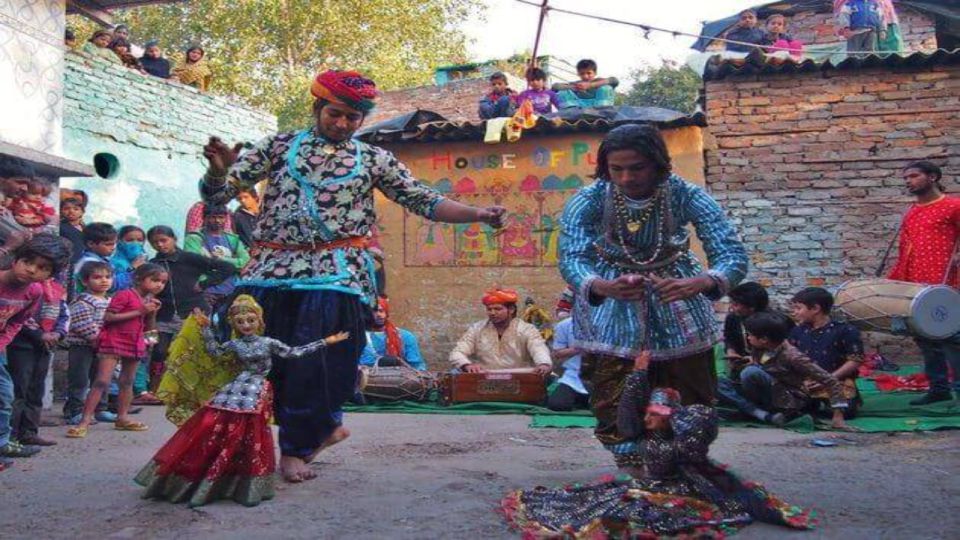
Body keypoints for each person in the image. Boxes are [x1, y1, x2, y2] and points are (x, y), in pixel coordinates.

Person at [199, 68, 505, 483]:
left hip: (335, 275)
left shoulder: (373, 158)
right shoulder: (278, 146)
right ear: (317, 107)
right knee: (249, 356)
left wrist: (479, 215)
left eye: (352, 118)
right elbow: (216, 197)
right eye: (335, 114)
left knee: (315, 363)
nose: (342, 124)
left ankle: (299, 447)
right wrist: (218, 172)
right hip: (268, 271)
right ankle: (267, 439)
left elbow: (422, 200)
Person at [558, 124, 747, 467]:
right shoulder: (588, 200)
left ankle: (682, 465)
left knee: (691, 391)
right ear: (605, 167)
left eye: (637, 168)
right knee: (612, 392)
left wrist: (703, 282)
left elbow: (732, 253)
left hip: (678, 296)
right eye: (617, 169)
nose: (627, 178)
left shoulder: (686, 195)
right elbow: (571, 257)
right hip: (612, 303)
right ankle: (630, 469)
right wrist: (602, 285)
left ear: (658, 163)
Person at [502, 351, 816, 537]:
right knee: (591, 504)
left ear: (668, 418)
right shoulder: (644, 433)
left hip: (677, 491)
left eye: (654, 415)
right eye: (649, 414)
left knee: (633, 515)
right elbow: (627, 412)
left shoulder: (685, 442)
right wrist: (638, 373)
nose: (648, 419)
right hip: (650, 485)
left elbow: (701, 419)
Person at [136, 296, 349, 507]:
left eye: (250, 320)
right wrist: (205, 328)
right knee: (212, 425)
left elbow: (294, 353)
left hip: (256, 390)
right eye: (240, 321)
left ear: (259, 321)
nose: (246, 325)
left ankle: (239, 479)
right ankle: (203, 475)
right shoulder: (234, 344)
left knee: (250, 434)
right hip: (234, 389)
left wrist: (325, 341)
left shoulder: (268, 342)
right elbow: (214, 352)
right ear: (234, 324)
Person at [66, 264, 168, 438]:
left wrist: (151, 314)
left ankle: (122, 417)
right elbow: (109, 317)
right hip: (113, 340)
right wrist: (140, 310)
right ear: (138, 279)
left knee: (127, 381)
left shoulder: (149, 301)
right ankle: (84, 421)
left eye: (163, 282)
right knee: (101, 381)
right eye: (155, 280)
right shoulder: (124, 295)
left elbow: (148, 327)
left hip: (134, 341)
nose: (159, 285)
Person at [887, 161, 960, 405]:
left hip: (949, 284)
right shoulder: (911, 211)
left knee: (953, 338)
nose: (908, 181)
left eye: (914, 176)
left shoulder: (953, 206)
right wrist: (898, 283)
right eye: (906, 177)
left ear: (933, 177)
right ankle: (939, 389)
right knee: (926, 339)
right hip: (917, 286)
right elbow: (904, 250)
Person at [0, 234, 69, 465]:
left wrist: (2, 343)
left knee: (5, 394)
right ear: (16, 259)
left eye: (41, 268)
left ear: (50, 275)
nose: (31, 270)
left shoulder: (34, 292)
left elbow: (17, 321)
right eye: (28, 262)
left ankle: (2, 443)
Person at [717, 312, 852, 428]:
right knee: (714, 381)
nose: (748, 337)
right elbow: (765, 363)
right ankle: (761, 414)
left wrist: (838, 415)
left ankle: (755, 412)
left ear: (764, 339)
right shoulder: (760, 348)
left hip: (786, 398)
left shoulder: (793, 356)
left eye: (750, 335)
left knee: (751, 372)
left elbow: (830, 380)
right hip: (764, 394)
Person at [147, 225, 235, 390]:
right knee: (159, 351)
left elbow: (227, 268)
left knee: (197, 349)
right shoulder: (152, 264)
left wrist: (204, 283)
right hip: (163, 314)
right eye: (154, 242)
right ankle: (156, 388)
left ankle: (200, 388)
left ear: (174, 239)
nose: (160, 245)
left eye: (163, 240)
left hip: (193, 311)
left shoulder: (189, 258)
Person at [7, 275, 69, 447]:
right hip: (21, 345)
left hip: (45, 346)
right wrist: (39, 334)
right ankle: (10, 435)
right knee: (18, 390)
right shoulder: (25, 288)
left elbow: (63, 314)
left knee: (36, 390)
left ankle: (29, 432)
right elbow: (20, 315)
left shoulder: (56, 289)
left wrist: (57, 333)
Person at [789, 287, 864, 418]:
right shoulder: (797, 331)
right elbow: (789, 358)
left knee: (845, 411)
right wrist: (800, 381)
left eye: (798, 308)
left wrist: (828, 379)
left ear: (815, 309)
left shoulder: (846, 330)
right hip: (806, 383)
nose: (795, 312)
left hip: (836, 381)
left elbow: (855, 360)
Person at [449, 288, 553, 374]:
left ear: (511, 310)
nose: (492, 313)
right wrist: (467, 364)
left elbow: (539, 349)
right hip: (484, 375)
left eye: (497, 309)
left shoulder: (527, 329)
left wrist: (543, 364)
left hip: (519, 376)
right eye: (489, 309)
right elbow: (457, 352)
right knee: (455, 373)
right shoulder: (477, 328)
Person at [110, 225, 159, 405]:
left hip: (146, 312)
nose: (135, 244)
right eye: (130, 240)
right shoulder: (115, 263)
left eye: (140, 240)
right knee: (123, 356)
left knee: (146, 348)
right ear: (120, 242)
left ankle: (141, 390)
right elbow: (112, 285)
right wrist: (132, 268)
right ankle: (117, 398)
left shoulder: (147, 263)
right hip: (124, 315)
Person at [63, 261, 113, 425]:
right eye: (97, 277)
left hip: (103, 346)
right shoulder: (83, 301)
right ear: (85, 281)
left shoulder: (110, 301)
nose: (104, 280)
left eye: (107, 277)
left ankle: (100, 409)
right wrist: (96, 340)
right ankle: (74, 411)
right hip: (82, 347)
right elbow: (81, 324)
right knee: (80, 379)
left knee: (102, 378)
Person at [184, 204, 249, 309]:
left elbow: (246, 262)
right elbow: (194, 263)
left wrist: (221, 259)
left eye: (221, 217)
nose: (217, 221)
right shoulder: (194, 238)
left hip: (231, 290)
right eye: (213, 217)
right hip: (205, 290)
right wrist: (233, 263)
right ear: (205, 218)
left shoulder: (233, 239)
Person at [547, 289, 589, 411]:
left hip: (599, 376)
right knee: (557, 405)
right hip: (574, 375)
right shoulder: (564, 325)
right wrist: (578, 349)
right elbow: (557, 353)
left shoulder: (606, 325)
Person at [359, 297, 426, 370]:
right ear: (366, 314)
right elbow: (361, 362)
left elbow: (416, 365)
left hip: (400, 379)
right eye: (374, 311)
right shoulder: (360, 337)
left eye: (381, 311)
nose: (378, 314)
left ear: (386, 313)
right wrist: (384, 361)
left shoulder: (405, 336)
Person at [74, 222, 131, 293]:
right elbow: (112, 285)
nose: (113, 248)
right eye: (108, 244)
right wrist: (133, 272)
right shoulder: (90, 262)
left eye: (114, 244)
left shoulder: (100, 259)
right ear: (91, 244)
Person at [723, 281, 769, 368]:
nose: (731, 307)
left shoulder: (773, 322)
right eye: (731, 303)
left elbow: (778, 351)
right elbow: (729, 339)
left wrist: (757, 360)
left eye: (736, 304)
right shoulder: (733, 318)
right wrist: (731, 351)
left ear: (752, 307)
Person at [551, 59, 619, 109]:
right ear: (578, 74)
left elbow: (614, 80)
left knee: (606, 88)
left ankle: (603, 110)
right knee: (563, 92)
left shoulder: (599, 81)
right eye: (582, 73)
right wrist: (576, 87)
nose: (585, 76)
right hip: (579, 108)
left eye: (589, 73)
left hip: (598, 106)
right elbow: (555, 87)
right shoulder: (576, 83)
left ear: (595, 73)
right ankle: (570, 111)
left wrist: (590, 85)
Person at [59, 197, 86, 264]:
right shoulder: (60, 227)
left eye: (76, 209)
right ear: (61, 211)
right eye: (66, 209)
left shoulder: (86, 229)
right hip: (67, 262)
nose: (71, 211)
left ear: (82, 212)